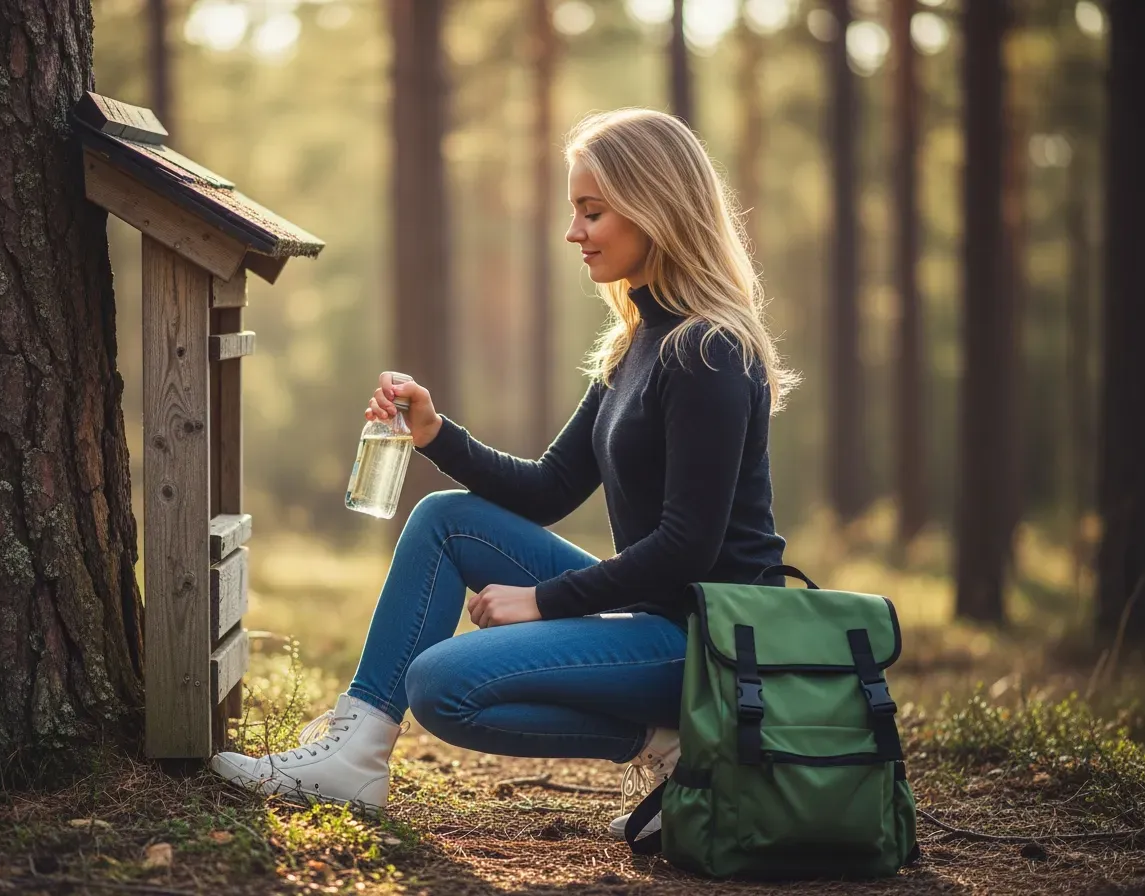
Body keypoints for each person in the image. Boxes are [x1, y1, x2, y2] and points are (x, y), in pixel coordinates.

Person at [211, 107, 796, 840]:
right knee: (445, 518)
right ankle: (357, 752)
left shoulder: (709, 351)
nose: (573, 232)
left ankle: (681, 746)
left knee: (444, 684)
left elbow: (689, 548)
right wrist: (434, 433)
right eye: (573, 211)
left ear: (656, 207)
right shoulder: (637, 344)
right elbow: (549, 487)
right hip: (660, 620)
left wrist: (544, 601)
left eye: (592, 211)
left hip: (713, 644)